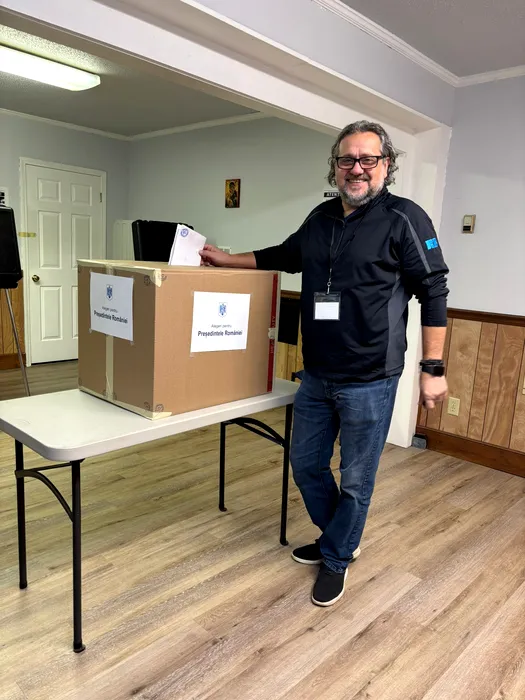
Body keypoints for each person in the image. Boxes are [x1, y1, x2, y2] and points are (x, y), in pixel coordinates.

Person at [200, 120, 449, 607]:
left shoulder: (405, 218)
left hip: (371, 378)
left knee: (356, 478)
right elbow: (284, 254)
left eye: (368, 159)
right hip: (317, 373)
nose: (357, 168)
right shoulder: (320, 217)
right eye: (347, 159)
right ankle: (341, 537)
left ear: (386, 166)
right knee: (306, 464)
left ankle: (336, 557)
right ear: (335, 166)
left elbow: (434, 290)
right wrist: (229, 260)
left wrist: (433, 368)